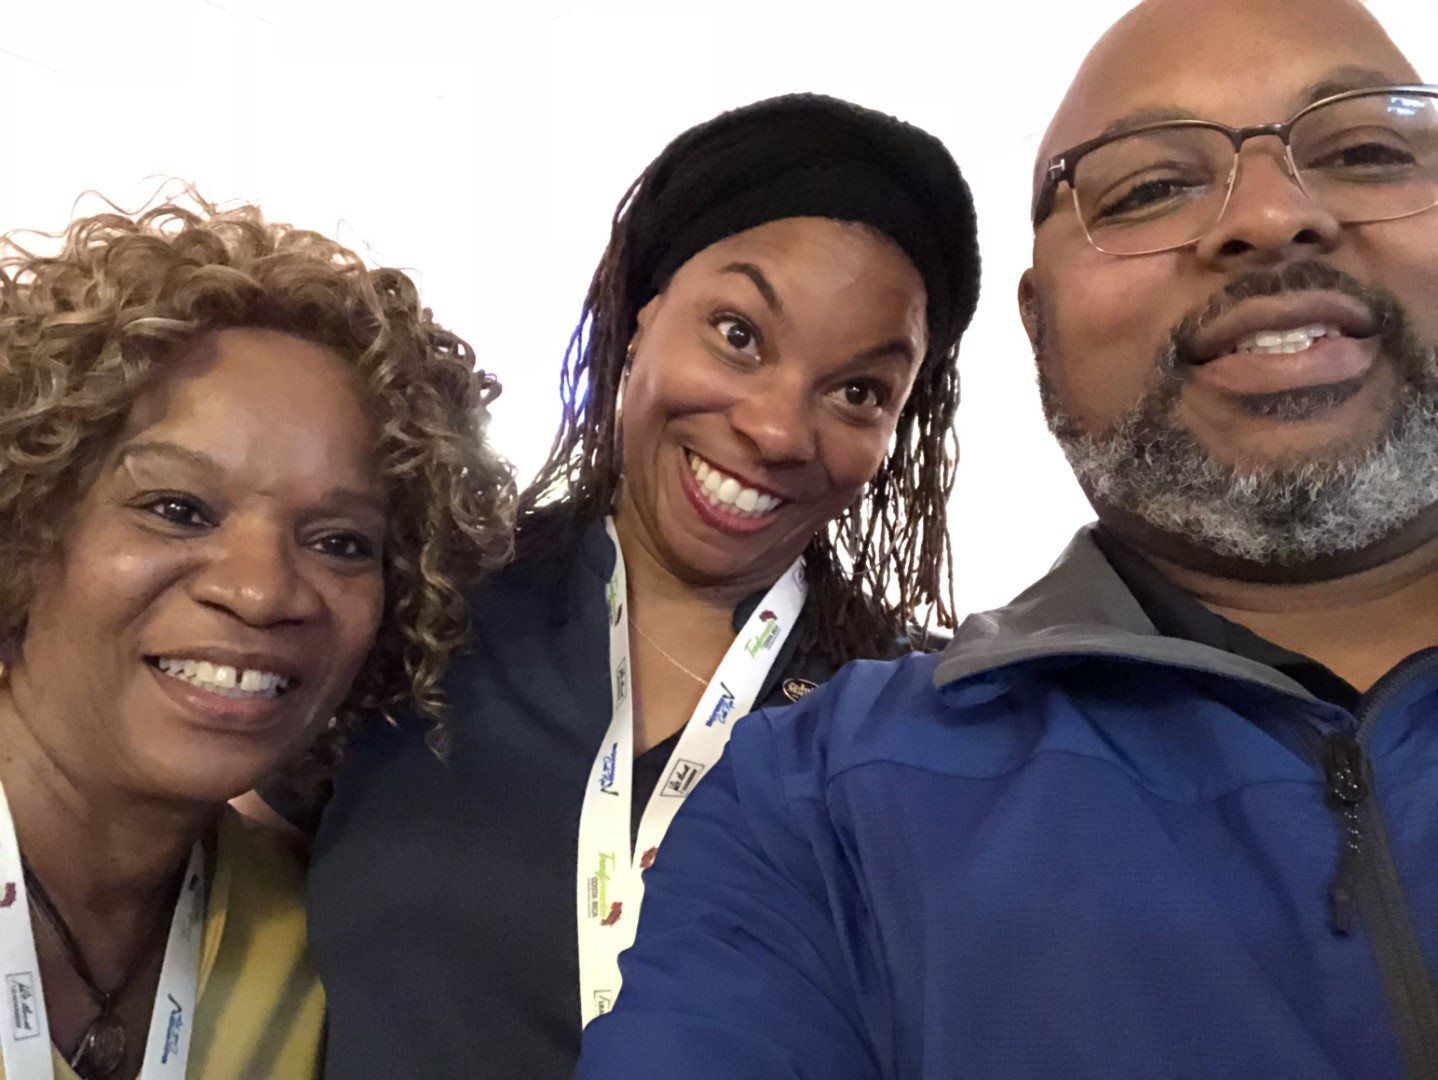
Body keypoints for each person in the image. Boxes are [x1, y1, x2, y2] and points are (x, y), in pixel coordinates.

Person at [575, 2, 1438, 1077]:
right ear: (1040, 328)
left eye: (1363, 151)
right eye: (1150, 187)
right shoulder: (824, 801)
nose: (1270, 215)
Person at [253, 93, 980, 1078]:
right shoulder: (422, 604)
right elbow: (215, 927)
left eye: (858, 391)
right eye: (738, 333)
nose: (775, 429)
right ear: (643, 316)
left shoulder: (917, 732)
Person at [0, 193, 512, 1080]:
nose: (262, 591)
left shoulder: (320, 940)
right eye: (177, 509)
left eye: (340, 542)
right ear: (25, 525)